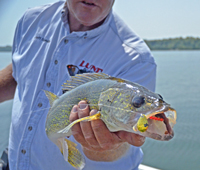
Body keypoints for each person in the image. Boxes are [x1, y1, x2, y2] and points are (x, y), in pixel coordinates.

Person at [0, 0, 156, 169]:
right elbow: (20, 73)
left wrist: (107, 146)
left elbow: (124, 144)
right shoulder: (31, 20)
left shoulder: (136, 59)